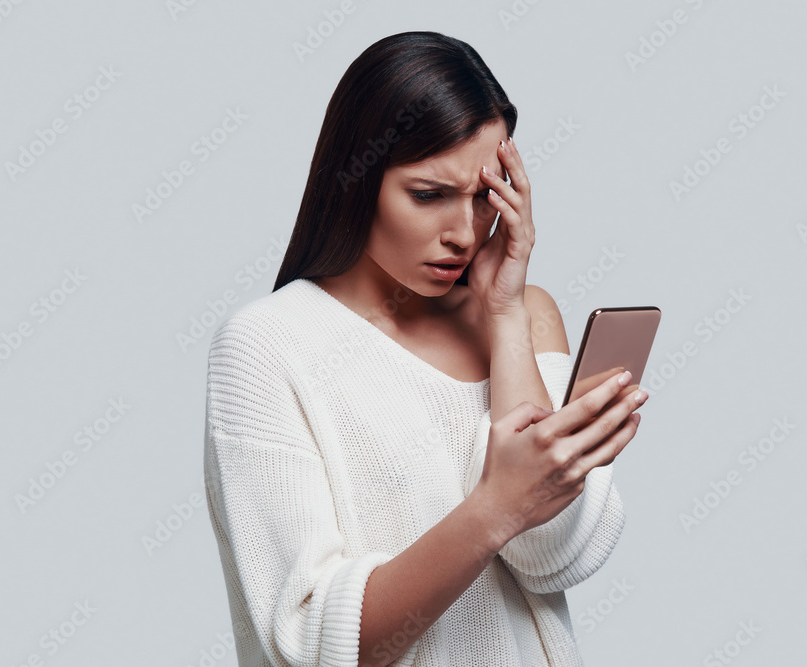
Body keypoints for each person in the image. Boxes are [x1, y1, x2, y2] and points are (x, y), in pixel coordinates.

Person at [203, 30, 648, 667]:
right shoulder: (268, 346)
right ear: (355, 178)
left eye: (484, 198)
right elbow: (309, 645)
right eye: (428, 195)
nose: (463, 233)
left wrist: (504, 317)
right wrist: (496, 507)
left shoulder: (526, 316)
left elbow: (556, 560)